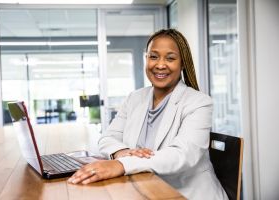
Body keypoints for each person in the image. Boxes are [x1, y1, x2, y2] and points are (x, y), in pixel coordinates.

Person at [68, 28, 228, 200]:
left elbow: (182, 155)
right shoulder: (135, 98)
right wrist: (121, 152)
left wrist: (122, 164)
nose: (160, 64)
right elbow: (108, 138)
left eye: (170, 58)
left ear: (182, 63)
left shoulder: (199, 102)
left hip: (185, 194)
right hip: (142, 188)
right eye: (153, 56)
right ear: (146, 59)